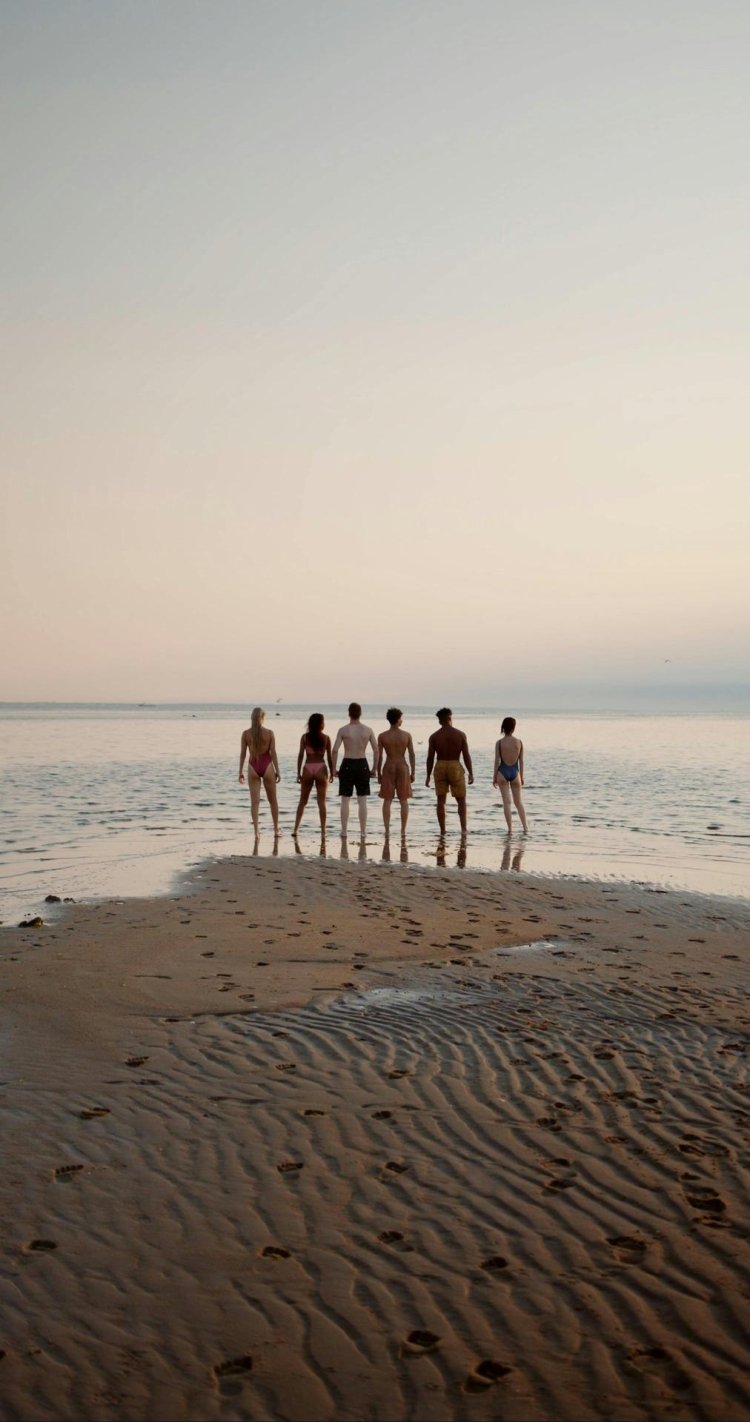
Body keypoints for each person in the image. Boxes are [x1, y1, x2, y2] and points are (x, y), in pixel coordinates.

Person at [331, 703, 378, 838]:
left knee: (345, 799)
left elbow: (335, 750)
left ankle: (344, 831)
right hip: (362, 763)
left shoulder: (343, 730)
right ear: (360, 713)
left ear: (349, 713)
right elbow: (376, 750)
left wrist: (334, 769)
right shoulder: (368, 730)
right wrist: (374, 768)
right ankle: (363, 832)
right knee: (362, 800)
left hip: (347, 763)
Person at [425, 708, 474, 835]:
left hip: (440, 765)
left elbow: (430, 758)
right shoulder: (460, 734)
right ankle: (463, 830)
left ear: (440, 721)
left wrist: (428, 775)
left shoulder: (434, 736)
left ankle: (443, 831)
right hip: (455, 765)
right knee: (461, 800)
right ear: (450, 718)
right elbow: (466, 755)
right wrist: (470, 772)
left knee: (441, 801)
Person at [238, 707, 280, 836]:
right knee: (273, 801)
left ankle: (256, 831)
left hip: (252, 767)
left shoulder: (246, 734)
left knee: (254, 802)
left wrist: (240, 771)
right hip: (267, 766)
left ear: (252, 718)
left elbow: (243, 754)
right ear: (262, 718)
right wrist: (278, 770)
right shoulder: (269, 733)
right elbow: (273, 753)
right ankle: (276, 830)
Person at [376, 708, 415, 839]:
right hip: (403, 766)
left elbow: (379, 756)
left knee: (387, 799)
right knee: (403, 800)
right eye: (401, 718)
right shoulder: (407, 735)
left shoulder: (382, 736)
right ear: (398, 720)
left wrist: (378, 772)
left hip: (389, 766)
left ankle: (387, 830)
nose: (402, 720)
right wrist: (413, 772)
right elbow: (411, 754)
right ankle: (403, 830)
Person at [293, 713, 333, 836]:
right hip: (321, 767)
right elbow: (329, 758)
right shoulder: (326, 738)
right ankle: (323, 831)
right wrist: (332, 772)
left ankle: (295, 830)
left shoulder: (305, 738)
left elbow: (300, 755)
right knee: (322, 802)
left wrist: (298, 772)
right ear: (321, 724)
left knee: (302, 801)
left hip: (308, 767)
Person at [493, 716, 528, 833]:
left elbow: (497, 761)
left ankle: (510, 830)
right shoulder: (519, 742)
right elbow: (521, 761)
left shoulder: (499, 743)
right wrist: (522, 777)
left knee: (507, 803)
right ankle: (525, 828)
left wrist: (494, 777)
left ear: (503, 727)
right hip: (515, 773)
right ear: (514, 727)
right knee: (518, 803)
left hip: (502, 772)